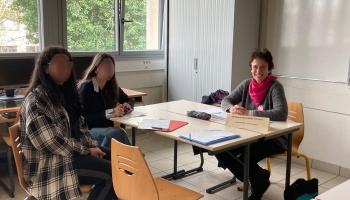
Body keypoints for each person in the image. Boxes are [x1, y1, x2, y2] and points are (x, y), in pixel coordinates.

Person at [19, 46, 118, 200]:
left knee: (121, 159)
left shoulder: (65, 93)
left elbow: (81, 125)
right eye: (59, 64)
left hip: (70, 154)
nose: (65, 68)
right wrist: (86, 151)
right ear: (46, 68)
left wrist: (92, 145)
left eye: (68, 63)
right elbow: (50, 141)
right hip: (52, 163)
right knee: (114, 174)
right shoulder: (37, 100)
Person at [216, 48, 288, 200]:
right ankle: (259, 178)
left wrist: (250, 113)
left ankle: (258, 182)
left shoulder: (275, 86)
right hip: (249, 134)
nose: (258, 71)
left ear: (269, 69)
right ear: (251, 68)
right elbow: (225, 100)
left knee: (245, 158)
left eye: (263, 67)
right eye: (255, 67)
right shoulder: (247, 84)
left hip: (272, 138)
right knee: (221, 150)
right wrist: (231, 108)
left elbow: (281, 113)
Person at [78, 53, 133, 148]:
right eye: (105, 67)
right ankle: (131, 158)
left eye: (111, 68)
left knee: (116, 134)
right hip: (88, 130)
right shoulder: (86, 87)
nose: (109, 71)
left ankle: (128, 158)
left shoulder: (111, 86)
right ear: (96, 69)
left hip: (107, 128)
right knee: (117, 134)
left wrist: (127, 105)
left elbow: (129, 99)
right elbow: (83, 119)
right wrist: (110, 112)